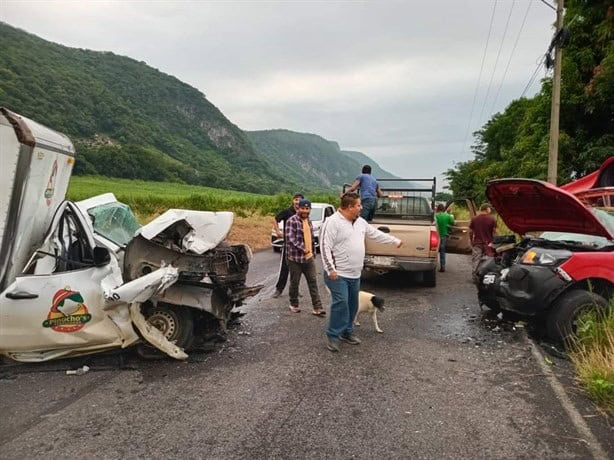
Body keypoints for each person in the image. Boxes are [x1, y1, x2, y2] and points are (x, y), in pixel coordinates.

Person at [320, 192, 402, 352]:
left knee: (352, 305)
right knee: (341, 303)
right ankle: (333, 335)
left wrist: (394, 241)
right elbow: (324, 246)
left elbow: (375, 234)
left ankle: (347, 332)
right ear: (350, 207)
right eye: (358, 205)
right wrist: (330, 268)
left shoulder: (360, 222)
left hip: (354, 274)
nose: (361, 207)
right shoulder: (332, 222)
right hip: (337, 274)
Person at [284, 199, 325, 316]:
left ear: (309, 210)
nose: (305, 211)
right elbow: (290, 239)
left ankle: (317, 307)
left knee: (313, 281)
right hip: (294, 259)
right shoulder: (291, 221)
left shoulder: (309, 221)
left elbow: (311, 238)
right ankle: (294, 304)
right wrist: (304, 249)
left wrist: (312, 252)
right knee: (295, 282)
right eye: (302, 208)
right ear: (298, 208)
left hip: (309, 258)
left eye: (307, 209)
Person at [272, 193, 303, 298]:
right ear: (293, 201)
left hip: (299, 246)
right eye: (296, 199)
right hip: (288, 245)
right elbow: (275, 219)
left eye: (299, 200)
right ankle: (278, 290)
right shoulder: (287, 212)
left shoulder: (303, 213)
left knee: (297, 270)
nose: (297, 202)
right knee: (284, 268)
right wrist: (277, 231)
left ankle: (295, 290)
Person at [469, 203, 497, 282]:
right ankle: (485, 277)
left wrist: (471, 241)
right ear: (487, 209)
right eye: (490, 208)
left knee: (476, 260)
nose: (490, 210)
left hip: (477, 243)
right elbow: (495, 232)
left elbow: (470, 232)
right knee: (488, 260)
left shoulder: (474, 219)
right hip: (488, 244)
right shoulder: (492, 219)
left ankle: (474, 277)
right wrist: (495, 242)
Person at [435, 203, 455, 272]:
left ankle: (433, 265)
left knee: (434, 251)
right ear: (444, 209)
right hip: (443, 235)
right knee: (442, 251)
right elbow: (453, 223)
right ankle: (442, 266)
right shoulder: (448, 216)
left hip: (435, 236)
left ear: (437, 209)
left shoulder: (435, 215)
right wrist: (452, 216)